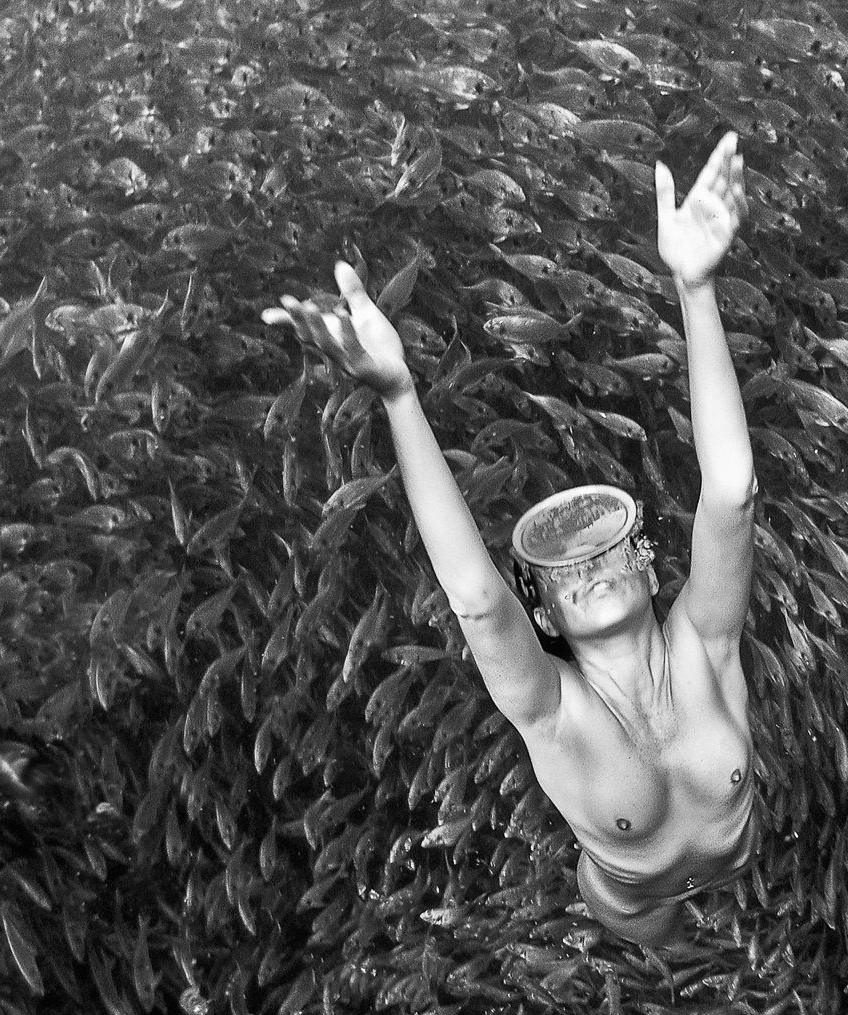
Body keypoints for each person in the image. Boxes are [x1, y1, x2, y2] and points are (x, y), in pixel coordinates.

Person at [264, 132, 756, 947]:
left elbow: (732, 494)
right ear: (544, 613)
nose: (589, 567)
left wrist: (695, 288)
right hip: (632, 906)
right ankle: (657, 952)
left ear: (648, 566)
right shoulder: (552, 712)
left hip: (739, 858)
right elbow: (477, 599)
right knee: (661, 965)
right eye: (559, 568)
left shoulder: (709, 641)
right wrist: (399, 395)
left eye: (607, 543)